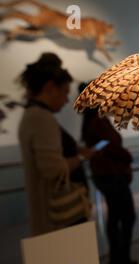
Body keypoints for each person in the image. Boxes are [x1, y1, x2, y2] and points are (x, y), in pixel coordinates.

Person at [18, 53, 94, 236]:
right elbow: (53, 169)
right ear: (50, 88)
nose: (67, 100)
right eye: (65, 93)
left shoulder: (34, 115)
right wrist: (82, 156)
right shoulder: (41, 117)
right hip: (59, 217)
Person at [81, 83, 139, 264]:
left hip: (105, 176)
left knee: (114, 219)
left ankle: (117, 260)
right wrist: (127, 155)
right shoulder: (98, 122)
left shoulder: (90, 122)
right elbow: (112, 147)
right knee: (126, 217)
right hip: (113, 177)